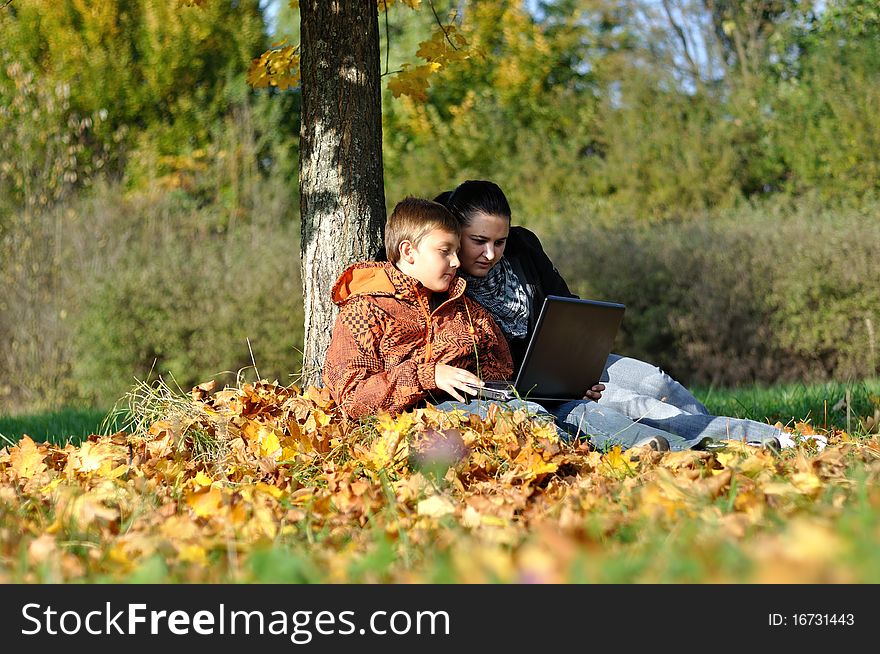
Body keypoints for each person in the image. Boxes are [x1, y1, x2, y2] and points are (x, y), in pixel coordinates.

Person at [435, 179, 804, 451]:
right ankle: (738, 443)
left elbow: (568, 308)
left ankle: (738, 433)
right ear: (455, 232)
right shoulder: (446, 282)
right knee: (638, 406)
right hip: (536, 390)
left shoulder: (523, 247)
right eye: (478, 241)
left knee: (656, 382)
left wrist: (580, 362)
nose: (491, 253)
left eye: (498, 242)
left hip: (572, 366)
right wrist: (565, 383)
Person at [323, 196, 520, 419]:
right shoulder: (365, 310)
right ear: (408, 252)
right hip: (409, 424)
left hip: (478, 410)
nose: (456, 262)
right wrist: (429, 376)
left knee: (564, 411)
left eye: (456, 251)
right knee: (532, 418)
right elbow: (353, 398)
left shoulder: (469, 311)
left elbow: (501, 375)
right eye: (445, 251)